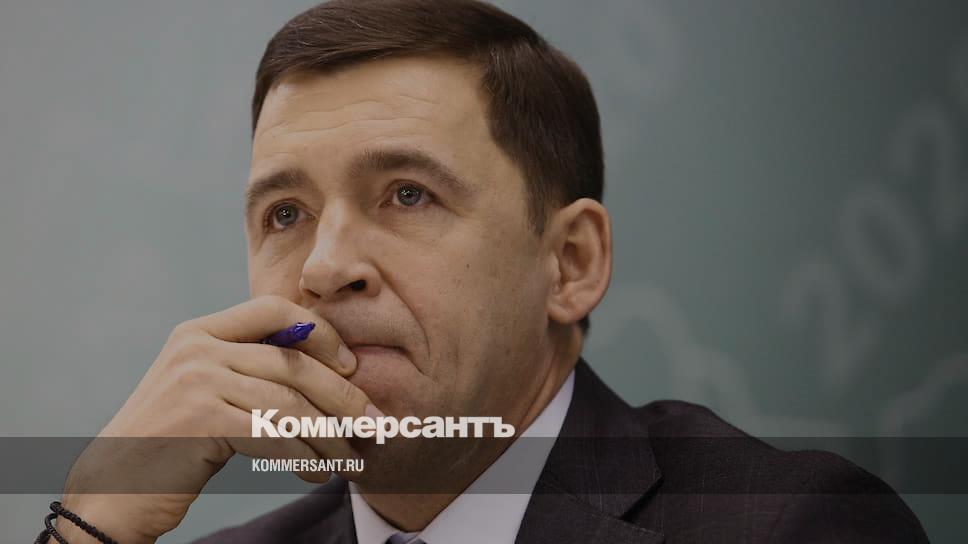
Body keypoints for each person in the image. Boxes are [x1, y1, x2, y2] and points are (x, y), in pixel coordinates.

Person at [47, 1, 928, 542]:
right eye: (286, 213)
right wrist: (91, 523)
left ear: (570, 263)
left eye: (407, 194)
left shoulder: (789, 526)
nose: (323, 267)